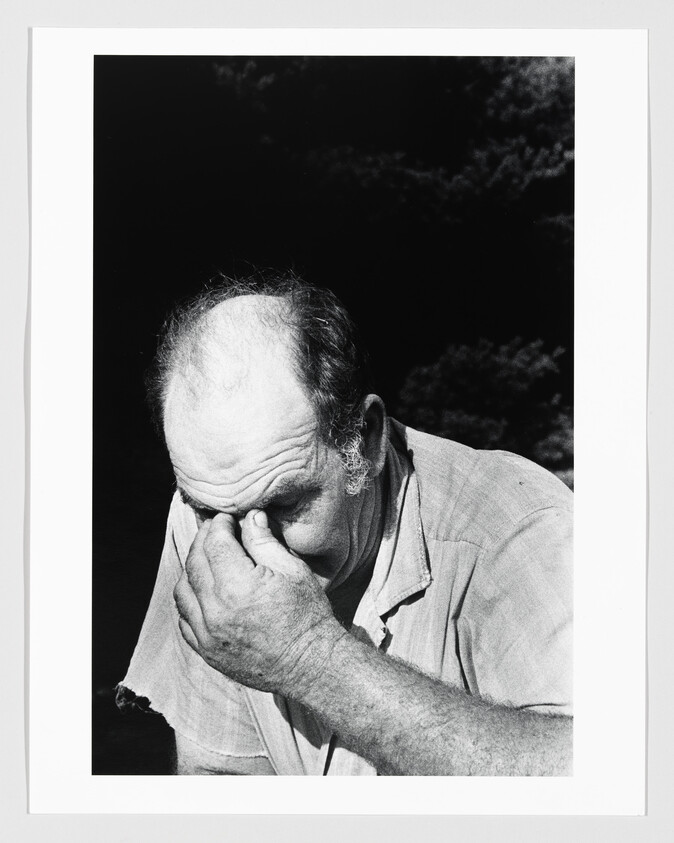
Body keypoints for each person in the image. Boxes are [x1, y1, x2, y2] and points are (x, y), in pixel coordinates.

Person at [118, 273, 573, 776]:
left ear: (367, 440)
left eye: (285, 504)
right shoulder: (208, 516)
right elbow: (222, 778)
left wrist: (309, 657)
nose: (249, 548)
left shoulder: (517, 525)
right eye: (209, 511)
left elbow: (601, 783)